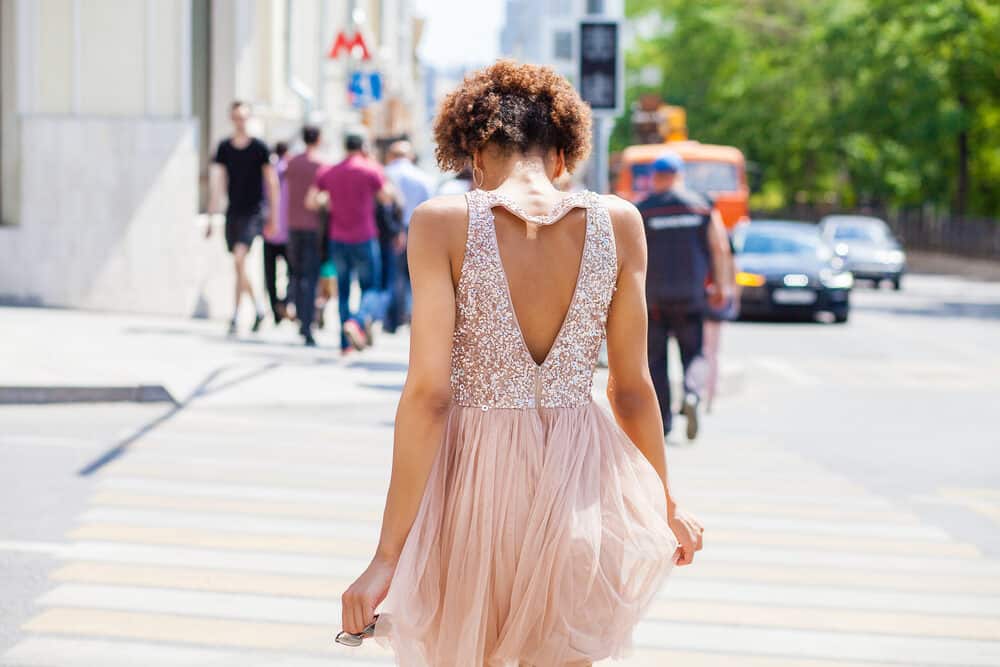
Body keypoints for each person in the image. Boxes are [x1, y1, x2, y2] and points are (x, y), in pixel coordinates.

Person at [339, 60, 703, 667]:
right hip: (582, 483)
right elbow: (633, 388)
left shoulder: (441, 223)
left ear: (476, 151)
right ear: (562, 153)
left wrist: (386, 558)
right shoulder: (620, 222)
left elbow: (428, 396)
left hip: (476, 484)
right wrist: (665, 503)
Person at [637, 151, 732, 442]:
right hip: (691, 295)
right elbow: (720, 248)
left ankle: (663, 423)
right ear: (680, 176)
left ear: (656, 177)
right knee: (695, 354)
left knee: (656, 361)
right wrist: (720, 285)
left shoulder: (644, 209)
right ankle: (692, 393)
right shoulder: (702, 207)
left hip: (653, 298)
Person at [307, 133, 393, 353]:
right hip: (364, 237)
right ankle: (357, 322)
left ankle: (345, 345)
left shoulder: (329, 171)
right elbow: (386, 197)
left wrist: (329, 202)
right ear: (362, 147)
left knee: (343, 291)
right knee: (371, 288)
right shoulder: (369, 169)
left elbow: (311, 202)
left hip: (338, 238)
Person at [207, 101, 279, 335]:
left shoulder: (259, 147)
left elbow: (272, 183)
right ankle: (258, 308)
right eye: (236, 117)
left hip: (254, 211)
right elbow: (217, 184)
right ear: (231, 118)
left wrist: (273, 217)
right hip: (233, 211)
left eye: (243, 117)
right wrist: (211, 216)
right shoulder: (224, 148)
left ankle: (237, 314)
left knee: (239, 259)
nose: (240, 121)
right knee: (238, 265)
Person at [284, 126, 327, 347]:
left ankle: (301, 318)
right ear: (318, 139)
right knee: (311, 277)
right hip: (313, 226)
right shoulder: (321, 165)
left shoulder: (292, 162)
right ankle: (307, 324)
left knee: (297, 274)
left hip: (293, 224)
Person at [383, 140, 433, 331]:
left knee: (392, 274)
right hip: (417, 228)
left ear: (391, 155)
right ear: (410, 156)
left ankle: (392, 319)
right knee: (413, 276)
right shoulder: (423, 178)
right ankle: (410, 316)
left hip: (389, 230)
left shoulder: (385, 174)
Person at [262, 141, 291, 325]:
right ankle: (284, 302)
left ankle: (276, 311)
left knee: (269, 275)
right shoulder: (290, 171)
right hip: (288, 231)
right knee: (293, 273)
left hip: (269, 230)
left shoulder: (267, 171)